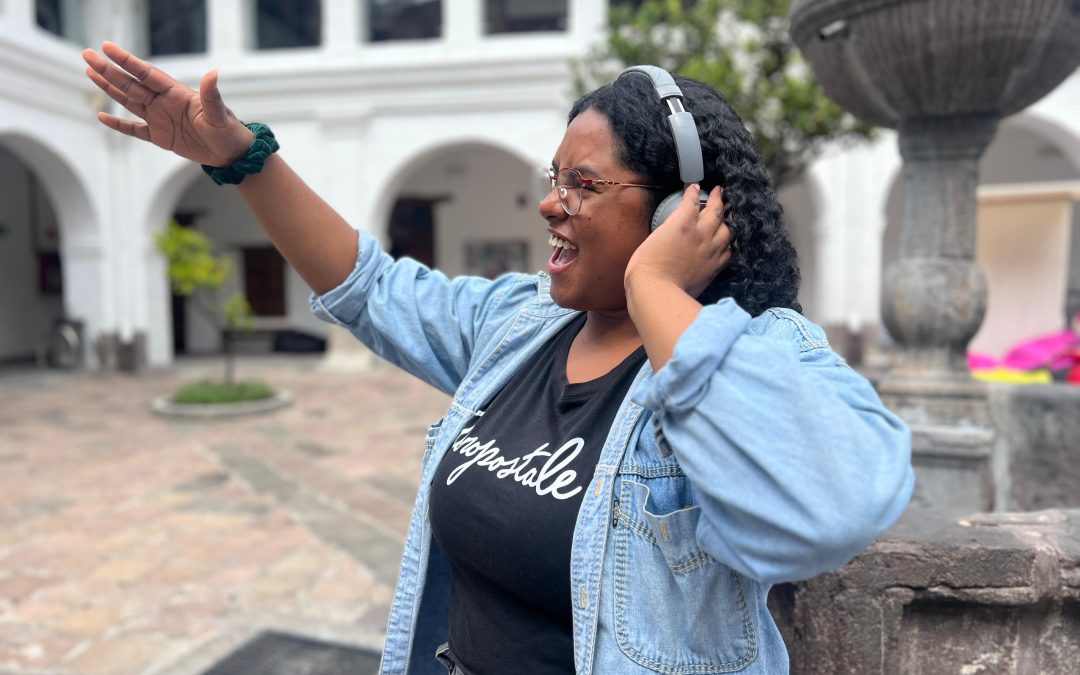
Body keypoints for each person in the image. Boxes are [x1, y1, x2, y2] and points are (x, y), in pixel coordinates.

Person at [83, 42, 914, 675]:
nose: (550, 201)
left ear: (674, 211)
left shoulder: (757, 349)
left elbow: (831, 509)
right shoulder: (523, 325)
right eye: (555, 176)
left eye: (583, 184)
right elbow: (374, 289)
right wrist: (242, 160)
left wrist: (658, 290)